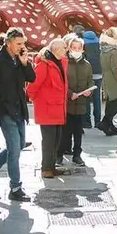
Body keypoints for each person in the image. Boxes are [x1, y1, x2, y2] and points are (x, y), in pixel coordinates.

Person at [0, 27, 36, 202]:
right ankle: (15, 187)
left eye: (23, 43)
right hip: (4, 109)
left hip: (19, 108)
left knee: (19, 144)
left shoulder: (19, 59)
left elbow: (32, 78)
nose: (22, 47)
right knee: (14, 149)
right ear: (8, 43)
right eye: (18, 43)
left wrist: (24, 62)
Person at [29, 38, 69, 178]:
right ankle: (46, 168)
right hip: (47, 108)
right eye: (64, 47)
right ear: (56, 49)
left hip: (57, 107)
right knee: (48, 141)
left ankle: (51, 167)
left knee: (56, 140)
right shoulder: (44, 65)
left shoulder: (61, 62)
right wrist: (36, 100)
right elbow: (33, 86)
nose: (66, 50)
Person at [60, 35, 93, 166]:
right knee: (65, 132)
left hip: (81, 104)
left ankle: (77, 155)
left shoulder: (87, 65)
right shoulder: (65, 63)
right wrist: (70, 94)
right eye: (74, 47)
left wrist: (89, 90)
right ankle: (60, 154)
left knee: (78, 132)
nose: (76, 50)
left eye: (79, 48)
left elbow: (90, 80)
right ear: (69, 48)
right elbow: (62, 83)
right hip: (67, 103)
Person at [96, 27, 117, 135]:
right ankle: (105, 122)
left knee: (110, 102)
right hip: (112, 78)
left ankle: (109, 126)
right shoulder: (113, 49)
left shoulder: (103, 48)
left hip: (105, 77)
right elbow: (114, 67)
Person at [81, 27, 102, 128]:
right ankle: (98, 121)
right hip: (99, 74)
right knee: (97, 98)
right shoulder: (98, 45)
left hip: (87, 75)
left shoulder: (84, 45)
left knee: (87, 98)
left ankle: (87, 122)